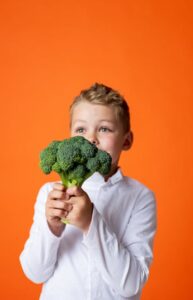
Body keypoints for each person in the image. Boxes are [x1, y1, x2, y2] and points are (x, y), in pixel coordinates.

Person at [20, 83, 157, 300]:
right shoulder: (51, 194)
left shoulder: (140, 197)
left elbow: (131, 285)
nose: (91, 138)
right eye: (81, 129)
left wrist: (90, 222)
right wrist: (52, 227)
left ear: (127, 140)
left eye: (104, 128)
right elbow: (34, 272)